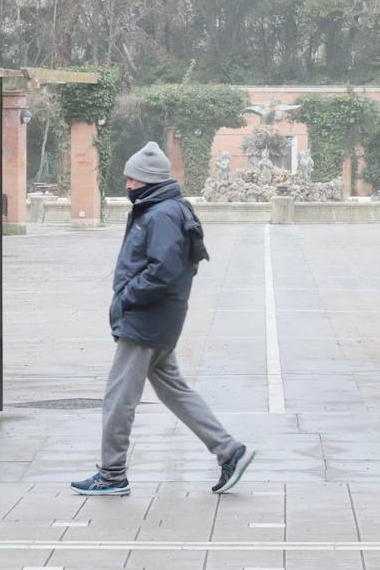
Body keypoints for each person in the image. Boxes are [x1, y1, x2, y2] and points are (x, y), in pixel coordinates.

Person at [70, 141, 256, 497]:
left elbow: (163, 271)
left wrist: (127, 297)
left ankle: (112, 474)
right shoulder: (162, 209)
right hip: (158, 317)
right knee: (174, 389)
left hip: (146, 319)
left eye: (132, 180)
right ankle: (229, 450)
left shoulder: (161, 215)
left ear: (148, 180)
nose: (128, 185)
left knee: (119, 396)